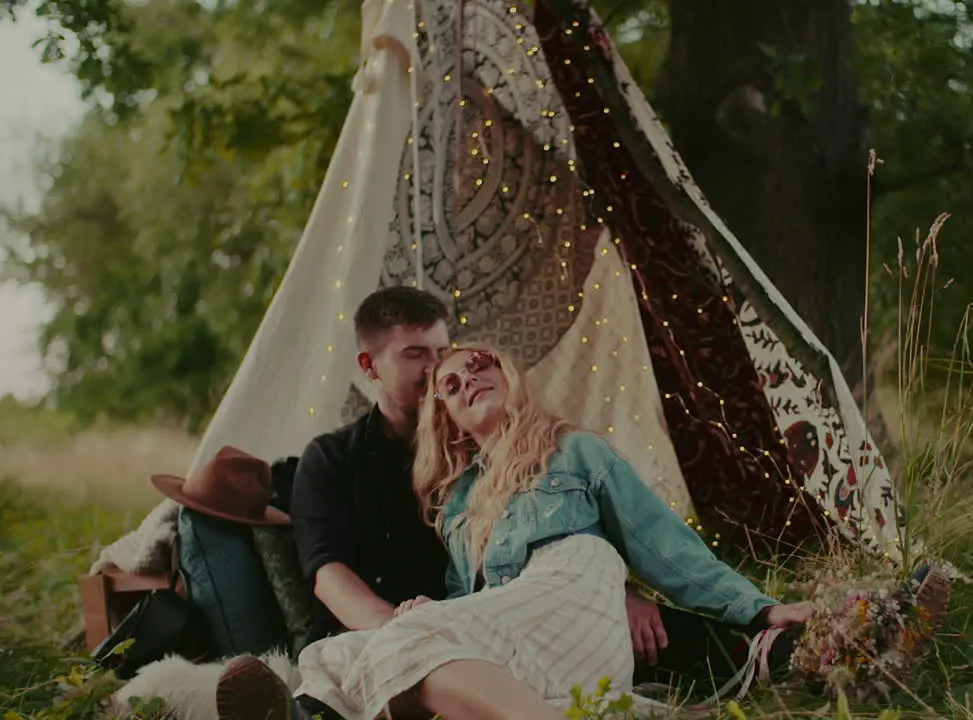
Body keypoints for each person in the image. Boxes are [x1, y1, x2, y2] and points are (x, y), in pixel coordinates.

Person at [215, 287, 794, 720]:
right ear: (448, 421)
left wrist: (756, 609)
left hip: (574, 605)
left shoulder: (576, 453)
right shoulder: (455, 499)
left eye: (468, 359)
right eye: (427, 363)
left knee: (382, 646)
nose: (455, 374)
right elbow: (470, 600)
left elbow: (667, 548)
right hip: (504, 634)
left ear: (509, 376)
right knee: (338, 652)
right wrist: (414, 620)